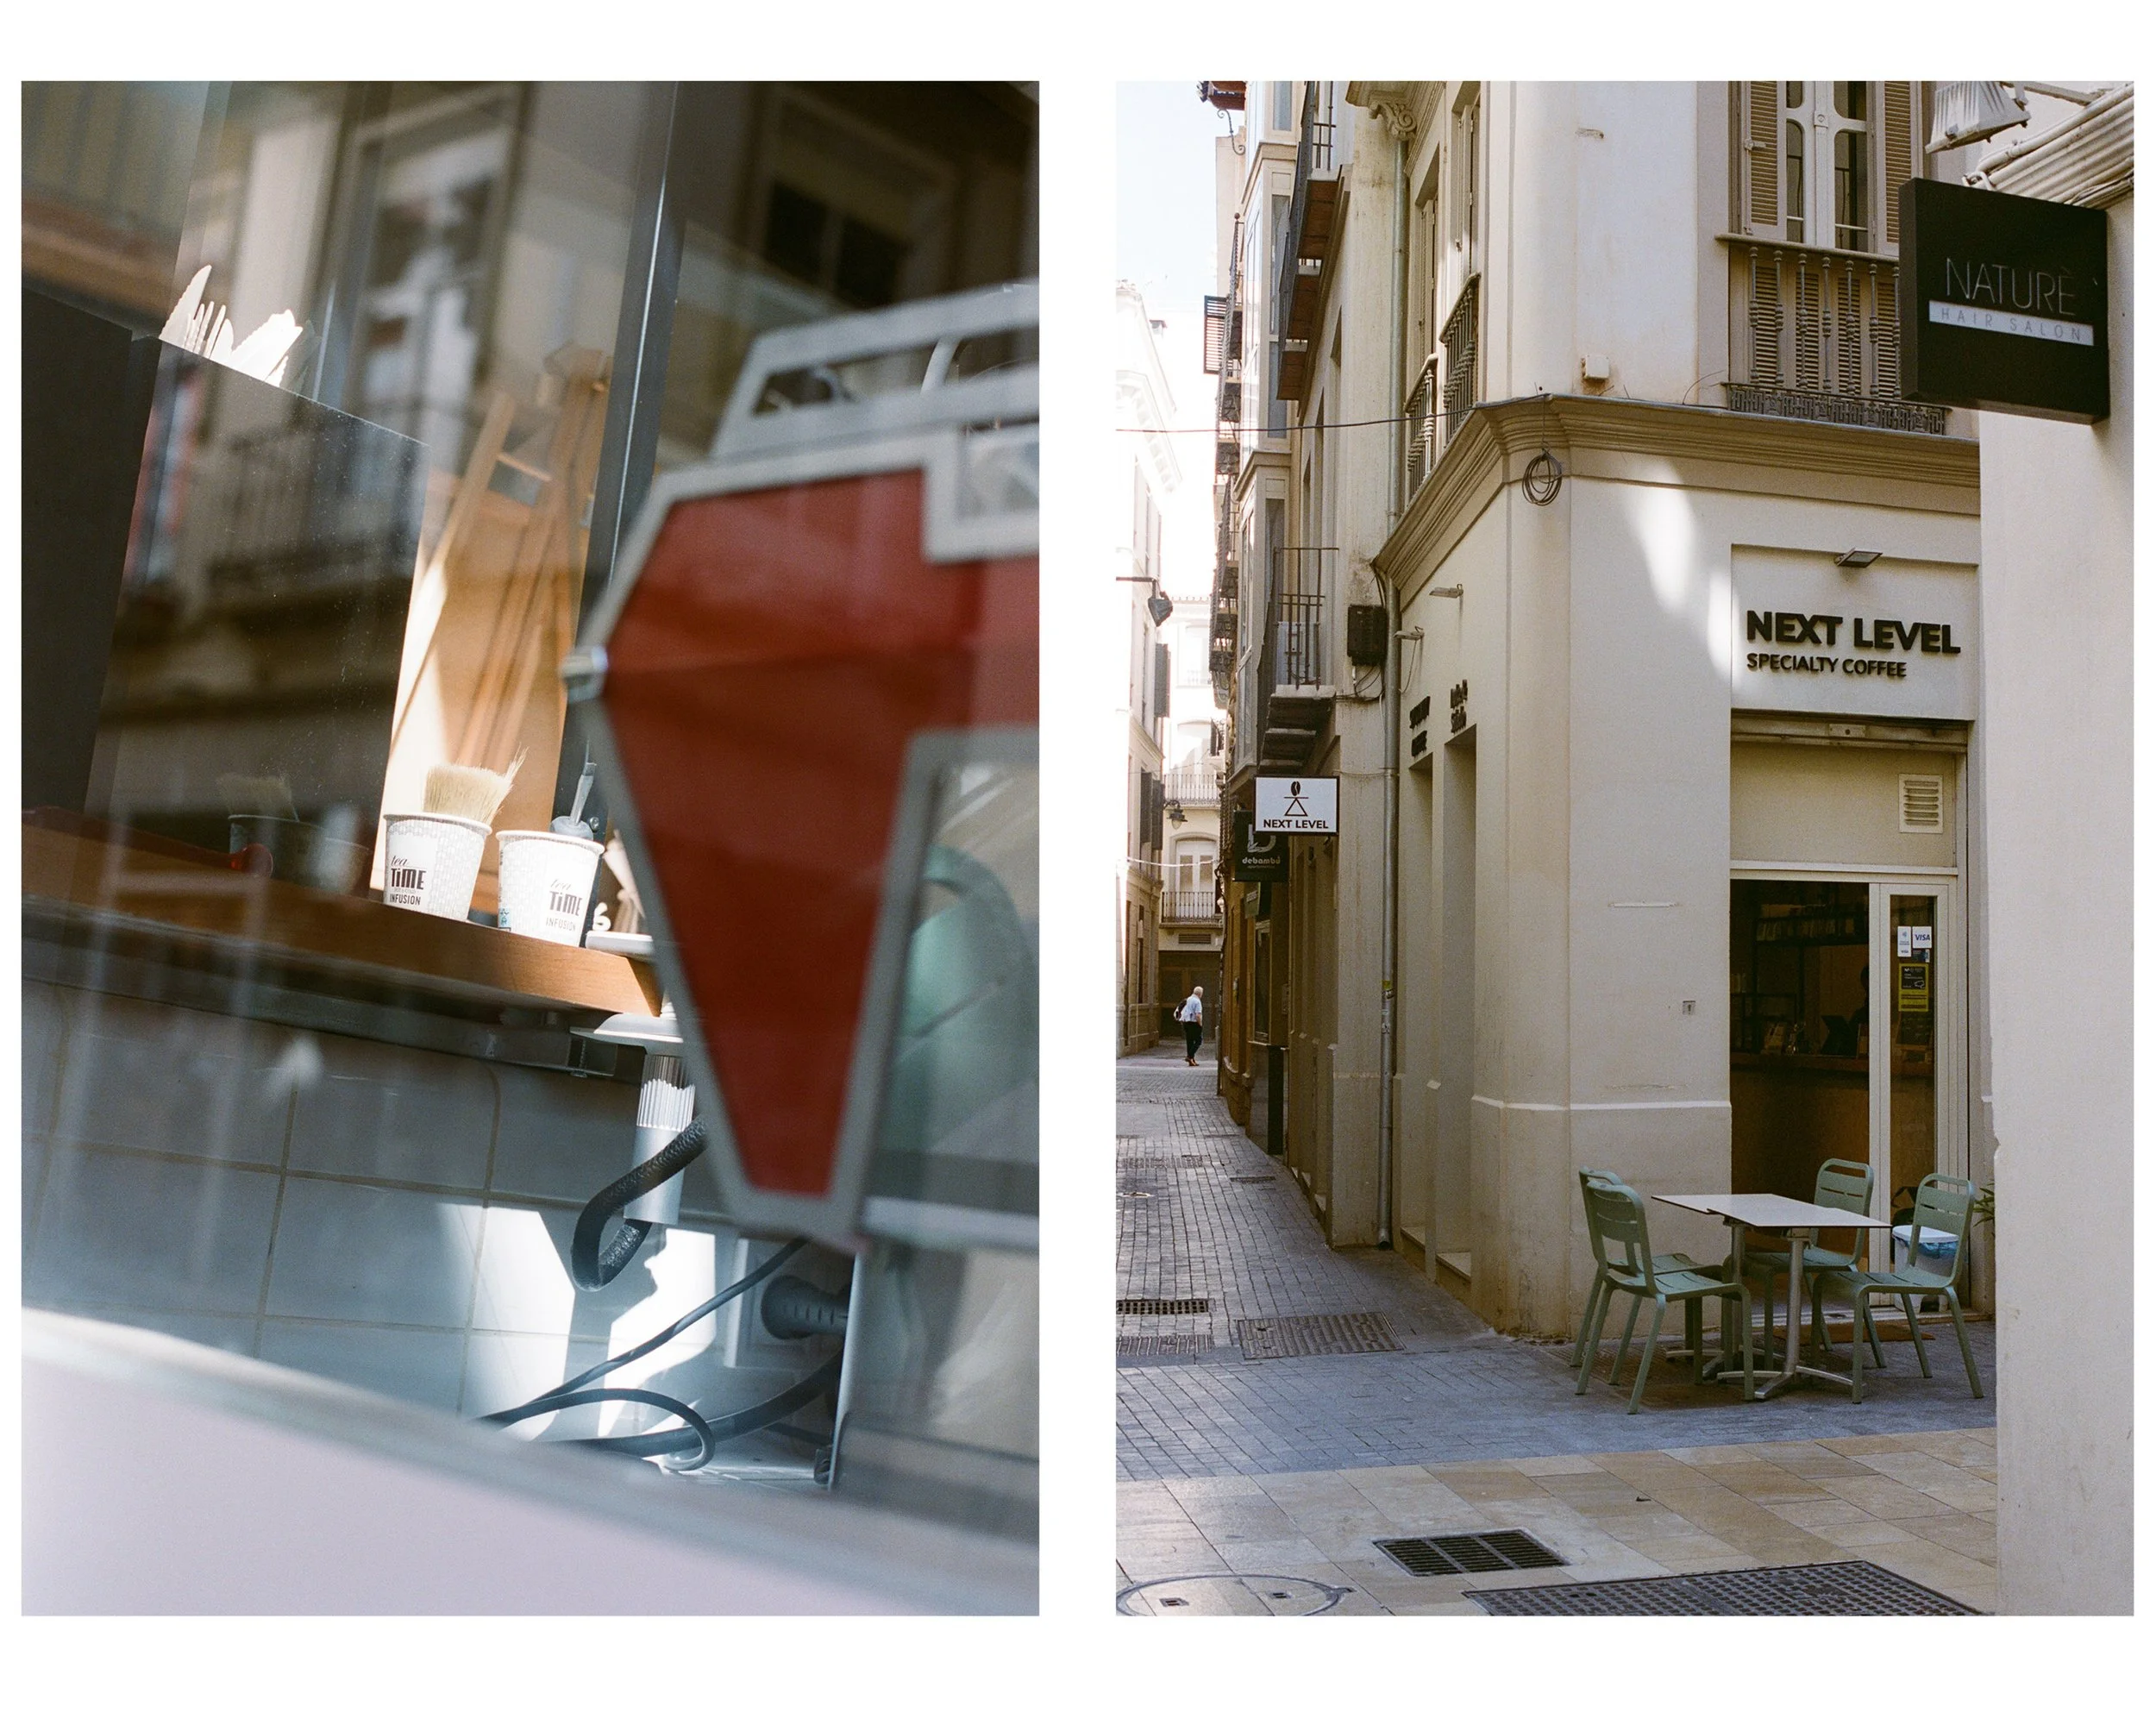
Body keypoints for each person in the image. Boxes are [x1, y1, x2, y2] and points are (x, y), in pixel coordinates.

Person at [1175, 984, 1205, 1064]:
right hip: (1194, 1023)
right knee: (1199, 1041)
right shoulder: (1197, 1001)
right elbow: (1198, 1015)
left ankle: (1191, 1060)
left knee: (1190, 1041)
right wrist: (1200, 1024)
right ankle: (1190, 1056)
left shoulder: (1187, 999)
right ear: (1200, 994)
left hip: (1186, 1023)